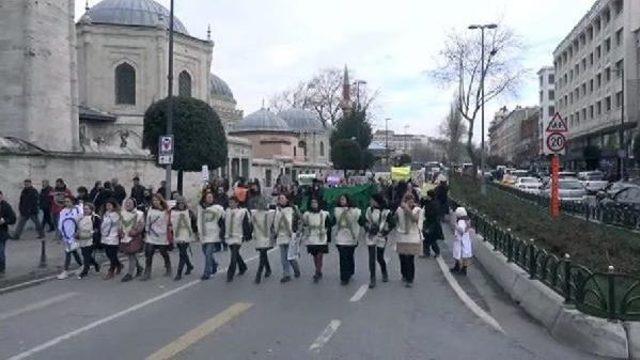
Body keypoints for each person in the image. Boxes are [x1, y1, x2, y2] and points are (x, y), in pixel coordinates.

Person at [364, 193, 394, 288]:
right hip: (371, 236)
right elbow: (365, 221)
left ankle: (384, 271)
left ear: (376, 201)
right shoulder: (369, 210)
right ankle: (372, 278)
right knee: (371, 257)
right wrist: (368, 228)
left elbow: (392, 223)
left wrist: (386, 231)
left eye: (372, 200)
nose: (370, 201)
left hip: (381, 236)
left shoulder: (386, 212)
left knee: (379, 257)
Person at [332, 194, 362, 286]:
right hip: (341, 235)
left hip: (351, 235)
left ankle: (350, 271)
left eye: (344, 199)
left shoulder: (355, 211)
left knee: (349, 255)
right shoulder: (336, 210)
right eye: (341, 199)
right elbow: (334, 222)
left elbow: (359, 221)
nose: (342, 201)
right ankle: (344, 277)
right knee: (343, 257)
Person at [395, 194, 424, 288]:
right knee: (402, 258)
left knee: (409, 259)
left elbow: (415, 219)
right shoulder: (399, 210)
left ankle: (410, 278)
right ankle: (404, 274)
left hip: (412, 236)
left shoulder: (417, 210)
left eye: (411, 200)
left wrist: (407, 210)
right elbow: (395, 220)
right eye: (407, 200)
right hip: (401, 236)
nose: (410, 202)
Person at [141, 194, 172, 281]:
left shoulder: (165, 211)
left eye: (157, 200)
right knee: (149, 253)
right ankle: (147, 272)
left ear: (160, 200)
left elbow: (168, 222)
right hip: (151, 235)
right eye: (154, 200)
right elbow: (148, 220)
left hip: (161, 235)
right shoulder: (150, 209)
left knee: (163, 252)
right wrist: (146, 231)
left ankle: (168, 266)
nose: (155, 202)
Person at [302, 198, 331, 283]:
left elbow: (328, 226)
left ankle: (317, 272)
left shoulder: (324, 214)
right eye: (312, 202)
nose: (314, 204)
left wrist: (328, 238)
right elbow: (305, 224)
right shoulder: (307, 214)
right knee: (315, 256)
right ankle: (318, 269)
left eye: (315, 202)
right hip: (312, 238)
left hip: (321, 238)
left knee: (320, 256)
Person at [197, 192, 225, 280]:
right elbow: (199, 220)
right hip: (204, 233)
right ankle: (214, 264)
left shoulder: (218, 208)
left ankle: (207, 272)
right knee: (205, 251)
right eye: (208, 197)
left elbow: (224, 217)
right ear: (204, 198)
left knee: (209, 253)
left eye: (211, 197)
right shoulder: (201, 208)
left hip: (213, 233)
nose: (209, 199)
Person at [274, 194, 301, 283]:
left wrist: (297, 231)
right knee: (283, 257)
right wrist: (275, 232)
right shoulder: (277, 210)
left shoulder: (293, 209)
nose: (281, 200)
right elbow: (274, 221)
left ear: (286, 199)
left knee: (290, 256)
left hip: (291, 235)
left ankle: (296, 269)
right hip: (281, 235)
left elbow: (299, 220)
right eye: (279, 199)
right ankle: (286, 274)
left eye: (282, 198)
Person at [224, 196, 250, 282]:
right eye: (229, 202)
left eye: (232, 202)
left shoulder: (242, 212)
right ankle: (243, 267)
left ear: (237, 203)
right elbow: (223, 224)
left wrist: (247, 235)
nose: (230, 204)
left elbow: (246, 224)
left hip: (238, 236)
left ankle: (230, 273)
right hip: (229, 236)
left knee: (233, 255)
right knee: (236, 254)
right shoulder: (226, 212)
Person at [57, 195, 83, 280]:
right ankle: (82, 265)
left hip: (75, 235)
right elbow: (60, 223)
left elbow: (81, 221)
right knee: (73, 251)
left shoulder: (78, 210)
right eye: (65, 202)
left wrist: (78, 232)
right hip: (66, 235)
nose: (66, 203)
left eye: (68, 201)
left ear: (72, 201)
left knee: (68, 252)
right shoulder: (63, 211)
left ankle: (65, 271)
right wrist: (60, 233)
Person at [171, 196, 197, 281]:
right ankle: (189, 265)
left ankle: (179, 273)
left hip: (186, 235)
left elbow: (194, 223)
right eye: (179, 203)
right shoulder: (173, 212)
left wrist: (195, 233)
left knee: (182, 254)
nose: (181, 205)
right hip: (178, 235)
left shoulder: (189, 212)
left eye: (182, 203)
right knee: (183, 252)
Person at [249, 196, 275, 284]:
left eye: (262, 203)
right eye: (258, 204)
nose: (260, 205)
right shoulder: (254, 213)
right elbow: (251, 224)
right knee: (263, 253)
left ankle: (258, 274)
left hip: (266, 237)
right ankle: (268, 269)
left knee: (262, 254)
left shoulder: (269, 213)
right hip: (258, 236)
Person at [119, 198, 145, 282]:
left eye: (130, 203)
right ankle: (139, 268)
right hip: (125, 237)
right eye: (126, 203)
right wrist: (120, 231)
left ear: (134, 204)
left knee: (132, 254)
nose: (128, 204)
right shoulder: (122, 213)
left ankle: (129, 274)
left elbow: (141, 225)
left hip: (134, 236)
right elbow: (120, 224)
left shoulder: (139, 213)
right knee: (130, 254)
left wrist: (136, 231)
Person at [77, 202, 101, 279]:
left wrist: (92, 233)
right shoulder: (81, 217)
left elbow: (98, 228)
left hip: (91, 239)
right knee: (85, 254)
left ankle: (85, 271)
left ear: (91, 209)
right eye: (84, 209)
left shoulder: (95, 217)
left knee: (86, 255)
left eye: (87, 209)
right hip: (82, 238)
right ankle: (95, 264)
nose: (85, 210)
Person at [101, 198, 123, 280]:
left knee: (112, 254)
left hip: (113, 236)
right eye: (107, 205)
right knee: (108, 254)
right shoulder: (105, 214)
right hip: (105, 236)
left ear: (113, 206)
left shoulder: (116, 215)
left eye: (110, 205)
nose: (108, 207)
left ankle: (111, 271)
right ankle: (119, 264)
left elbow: (119, 225)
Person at [451, 207, 473, 276]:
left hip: (460, 239)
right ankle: (463, 268)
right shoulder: (467, 220)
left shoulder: (461, 221)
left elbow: (461, 230)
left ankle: (459, 267)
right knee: (465, 254)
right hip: (466, 239)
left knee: (458, 252)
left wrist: (455, 225)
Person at [422, 190, 444, 258]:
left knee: (431, 239)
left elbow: (433, 214)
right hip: (430, 222)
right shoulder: (432, 202)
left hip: (432, 223)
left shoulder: (434, 204)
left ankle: (434, 252)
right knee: (427, 239)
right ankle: (428, 252)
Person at [0, 191, 17, 277]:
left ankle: (2, 270)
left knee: (1, 252)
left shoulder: (5, 206)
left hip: (1, 233)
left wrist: (4, 221)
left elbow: (13, 218)